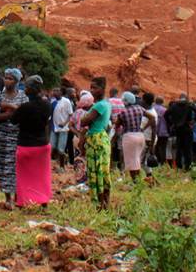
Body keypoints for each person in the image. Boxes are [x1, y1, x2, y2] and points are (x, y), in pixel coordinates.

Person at [12, 75, 54, 208]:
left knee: (24, 176)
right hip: (43, 144)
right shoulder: (47, 105)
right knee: (42, 176)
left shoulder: (25, 107)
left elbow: (13, 120)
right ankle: (43, 201)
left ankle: (23, 201)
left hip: (26, 145)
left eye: (26, 87)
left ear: (29, 89)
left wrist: (13, 108)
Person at [0, 68, 26, 208]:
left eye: (10, 78)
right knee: (4, 167)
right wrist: (13, 108)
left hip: (18, 137)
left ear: (17, 81)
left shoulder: (24, 96)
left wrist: (6, 108)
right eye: (5, 78)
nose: (7, 81)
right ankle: (8, 198)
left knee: (18, 167)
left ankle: (18, 197)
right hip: (3, 137)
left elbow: (24, 115)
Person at [79, 78, 113, 209]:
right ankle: (105, 203)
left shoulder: (99, 106)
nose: (92, 91)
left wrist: (85, 117)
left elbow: (83, 121)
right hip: (101, 137)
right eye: (90, 88)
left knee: (97, 171)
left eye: (94, 88)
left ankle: (100, 203)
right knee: (103, 171)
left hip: (96, 139)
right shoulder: (106, 104)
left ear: (102, 89)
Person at [115, 91, 150, 183]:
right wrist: (143, 127)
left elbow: (116, 126)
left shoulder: (123, 112)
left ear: (125, 101)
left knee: (131, 161)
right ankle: (138, 180)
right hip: (140, 135)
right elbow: (153, 118)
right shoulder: (140, 108)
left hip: (129, 137)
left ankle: (135, 182)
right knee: (136, 159)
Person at [166, 93, 195, 170]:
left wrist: (171, 123)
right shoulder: (189, 105)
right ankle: (187, 166)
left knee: (179, 148)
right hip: (187, 129)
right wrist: (193, 121)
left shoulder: (174, 106)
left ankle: (179, 166)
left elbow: (166, 114)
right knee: (188, 149)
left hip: (178, 129)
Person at [51, 86, 75, 167]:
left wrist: (64, 124)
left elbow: (70, 114)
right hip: (53, 128)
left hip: (63, 129)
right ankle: (53, 164)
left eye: (57, 90)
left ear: (61, 92)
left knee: (61, 149)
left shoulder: (66, 101)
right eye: (54, 90)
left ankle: (62, 166)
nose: (55, 92)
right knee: (52, 147)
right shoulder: (52, 101)